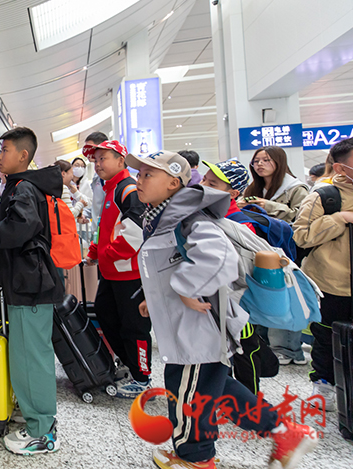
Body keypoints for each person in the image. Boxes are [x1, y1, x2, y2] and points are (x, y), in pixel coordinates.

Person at [130, 150, 318, 469]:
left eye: (149, 174)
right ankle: (285, 432)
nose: (139, 180)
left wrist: (185, 288)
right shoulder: (165, 216)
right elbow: (172, 264)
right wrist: (157, 297)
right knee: (215, 388)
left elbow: (218, 257)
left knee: (189, 392)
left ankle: (195, 458)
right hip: (193, 322)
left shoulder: (187, 217)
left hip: (196, 326)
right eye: (139, 173)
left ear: (173, 183)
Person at [0, 127, 64, 455]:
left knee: (31, 358)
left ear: (23, 155)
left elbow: (21, 226)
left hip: (30, 285)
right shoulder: (20, 186)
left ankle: (42, 431)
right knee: (26, 355)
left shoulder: (25, 188)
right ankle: (35, 415)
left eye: (4, 150)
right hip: (25, 282)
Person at [199, 159, 280, 394]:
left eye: (212, 184)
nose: (203, 185)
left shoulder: (239, 225)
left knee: (245, 351)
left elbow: (241, 269)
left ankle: (250, 401)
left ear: (233, 193)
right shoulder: (206, 214)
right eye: (204, 179)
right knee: (219, 353)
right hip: (212, 300)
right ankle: (223, 397)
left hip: (237, 303)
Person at [84, 140, 151, 397]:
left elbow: (136, 232)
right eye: (96, 160)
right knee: (107, 316)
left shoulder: (128, 189)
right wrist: (95, 252)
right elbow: (106, 228)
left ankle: (142, 377)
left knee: (134, 326)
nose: (98, 164)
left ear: (120, 160)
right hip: (112, 272)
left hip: (129, 273)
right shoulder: (111, 189)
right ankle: (129, 364)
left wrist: (107, 255)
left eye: (104, 158)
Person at [293, 137, 353, 413]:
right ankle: (324, 384)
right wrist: (339, 218)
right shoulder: (323, 196)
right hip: (331, 283)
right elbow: (301, 236)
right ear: (340, 168)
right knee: (326, 336)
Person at [243, 146, 309, 366]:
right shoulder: (253, 188)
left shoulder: (295, 188)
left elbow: (302, 218)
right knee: (265, 297)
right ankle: (266, 347)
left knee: (284, 297)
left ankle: (289, 349)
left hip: (285, 252)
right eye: (256, 161)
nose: (260, 164)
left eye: (266, 160)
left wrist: (269, 206)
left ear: (279, 162)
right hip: (259, 251)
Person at [82, 131, 109, 244]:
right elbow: (97, 204)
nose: (88, 153)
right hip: (97, 231)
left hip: (107, 232)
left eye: (90, 148)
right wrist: (85, 213)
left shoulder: (109, 177)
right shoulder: (97, 176)